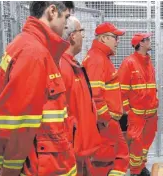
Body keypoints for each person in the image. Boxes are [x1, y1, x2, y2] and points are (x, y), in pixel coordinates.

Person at [0, 2, 75, 176]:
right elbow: (21, 122)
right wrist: (10, 171)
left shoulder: (27, 45)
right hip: (40, 166)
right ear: (52, 11)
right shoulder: (34, 53)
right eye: (66, 17)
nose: (67, 24)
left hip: (44, 160)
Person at [82, 22, 129, 176]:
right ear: (103, 38)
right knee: (104, 162)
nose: (118, 41)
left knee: (120, 158)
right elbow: (95, 96)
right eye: (115, 37)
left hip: (108, 123)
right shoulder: (97, 59)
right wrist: (106, 120)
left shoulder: (100, 57)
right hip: (104, 124)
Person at [60, 16, 103, 175]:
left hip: (80, 148)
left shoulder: (73, 65)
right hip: (71, 151)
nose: (83, 36)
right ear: (72, 36)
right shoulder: (62, 66)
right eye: (81, 31)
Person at [117, 33, 158, 176]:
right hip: (137, 115)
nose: (150, 41)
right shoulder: (129, 62)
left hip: (151, 114)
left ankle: (141, 166)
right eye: (148, 39)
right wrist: (128, 110)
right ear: (141, 43)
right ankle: (135, 171)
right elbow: (121, 89)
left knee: (145, 145)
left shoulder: (148, 61)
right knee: (136, 144)